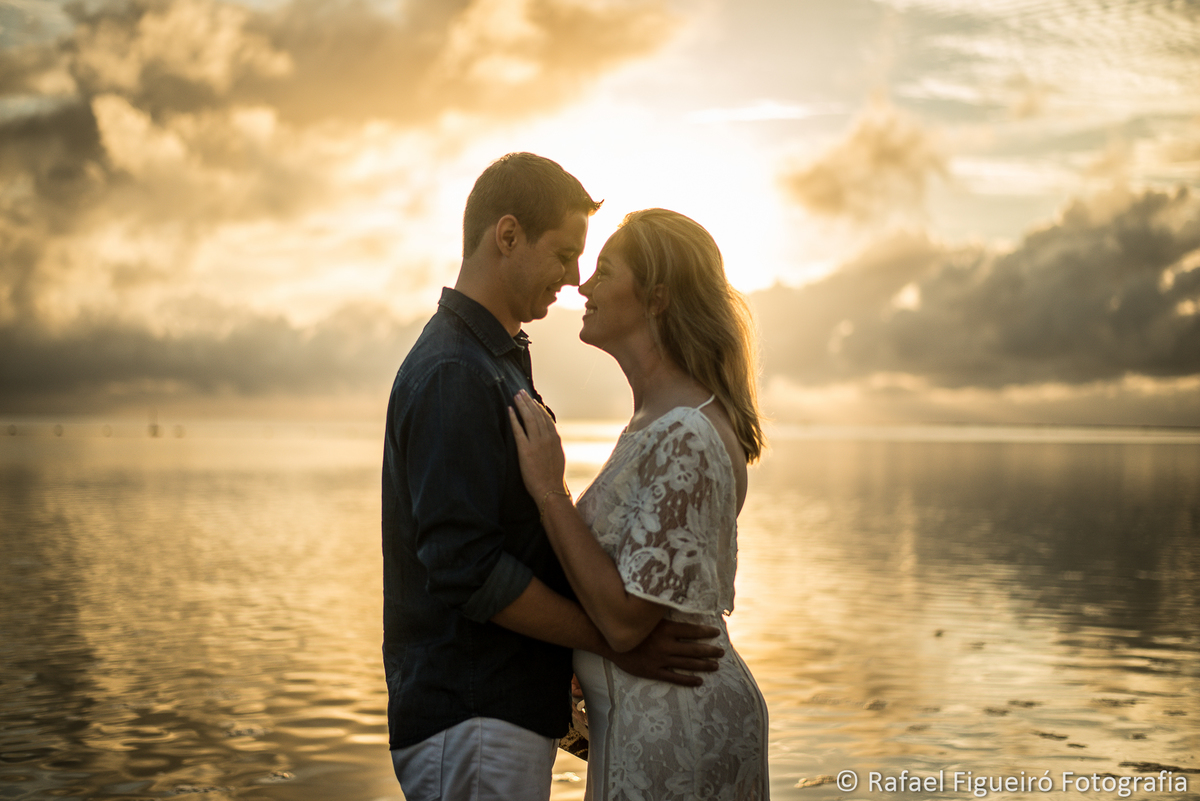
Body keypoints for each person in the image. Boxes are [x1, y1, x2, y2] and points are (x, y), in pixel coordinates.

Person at [382, 156, 726, 801]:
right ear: (506, 236)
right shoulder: (456, 371)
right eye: (566, 254)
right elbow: (465, 566)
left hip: (496, 712)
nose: (574, 279)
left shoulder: (496, 361)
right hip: (473, 714)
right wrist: (614, 643)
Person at [509, 208, 771, 800]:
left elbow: (628, 621)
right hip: (643, 721)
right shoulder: (656, 422)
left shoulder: (688, 434)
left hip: (678, 734)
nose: (584, 284)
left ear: (656, 298)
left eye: (604, 269)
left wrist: (551, 488)